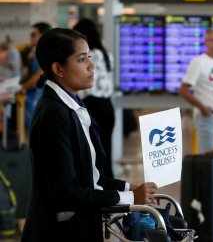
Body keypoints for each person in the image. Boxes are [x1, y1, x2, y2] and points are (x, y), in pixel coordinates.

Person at [21, 28, 157, 242]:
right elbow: (67, 192)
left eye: (89, 57)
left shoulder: (71, 105)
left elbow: (91, 177)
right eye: (82, 59)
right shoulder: (52, 115)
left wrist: (131, 188)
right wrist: (131, 197)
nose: (92, 66)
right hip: (58, 233)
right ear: (59, 68)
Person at [73, 18, 116, 178]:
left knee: (94, 151)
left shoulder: (90, 56)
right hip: (107, 105)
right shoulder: (105, 53)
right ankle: (109, 184)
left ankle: (100, 186)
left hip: (93, 105)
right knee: (106, 149)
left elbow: (86, 84)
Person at [178, 28, 213, 153]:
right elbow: (183, 90)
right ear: (205, 43)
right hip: (206, 117)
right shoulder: (198, 62)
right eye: (212, 40)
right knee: (207, 157)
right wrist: (202, 108)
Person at [20, 22, 52, 128]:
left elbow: (38, 76)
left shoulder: (43, 54)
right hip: (34, 101)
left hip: (37, 101)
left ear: (42, 35)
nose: (31, 37)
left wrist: (21, 88)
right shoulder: (36, 53)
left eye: (33, 34)